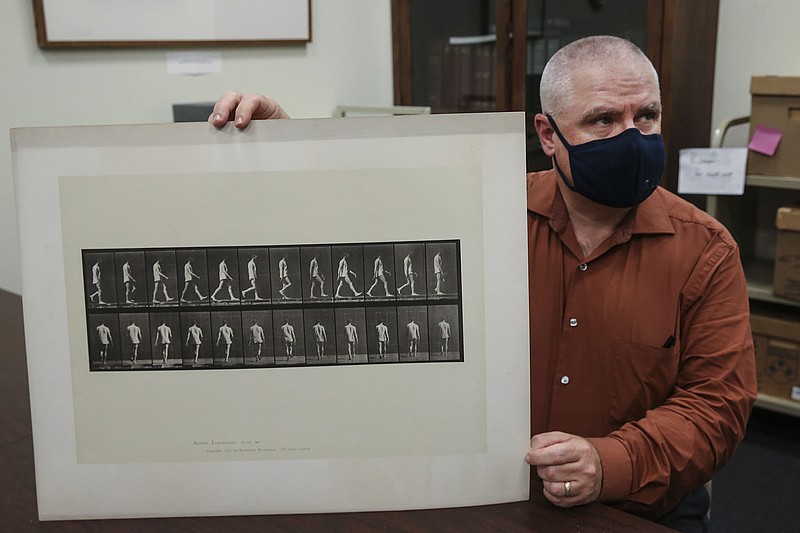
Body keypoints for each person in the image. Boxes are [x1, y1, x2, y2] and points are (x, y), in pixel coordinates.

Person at [209, 37, 757, 529]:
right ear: (547, 133)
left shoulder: (704, 250)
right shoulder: (480, 209)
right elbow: (363, 225)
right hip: (494, 503)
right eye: (604, 120)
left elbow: (717, 405)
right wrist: (286, 149)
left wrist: (610, 462)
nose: (631, 137)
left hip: (636, 507)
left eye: (647, 117)